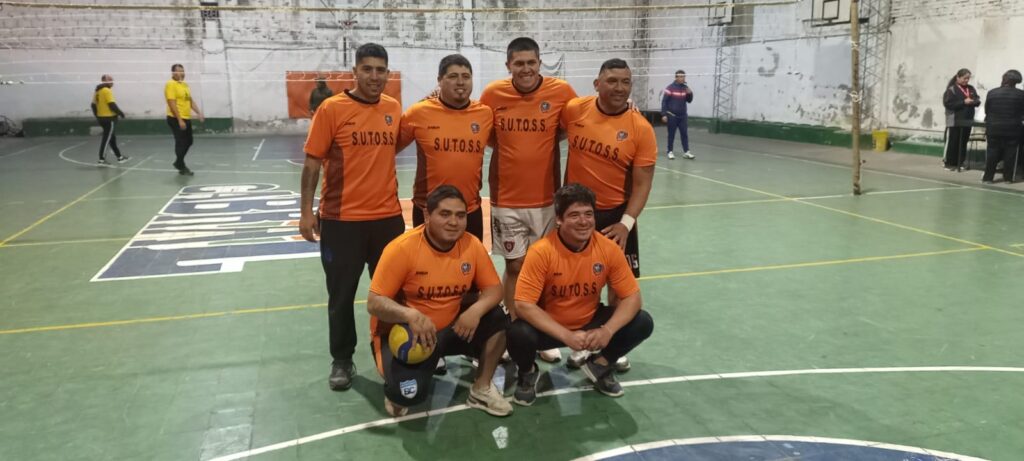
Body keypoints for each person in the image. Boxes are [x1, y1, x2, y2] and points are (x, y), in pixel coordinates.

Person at [299, 43, 405, 392]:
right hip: (341, 221)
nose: (375, 76)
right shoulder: (331, 109)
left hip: (387, 219)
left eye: (381, 70)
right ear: (355, 72)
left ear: (388, 73)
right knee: (341, 295)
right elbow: (312, 163)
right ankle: (342, 359)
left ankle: (398, 353)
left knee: (393, 294)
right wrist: (305, 213)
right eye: (368, 69)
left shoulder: (393, 108)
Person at [367, 185, 512, 417]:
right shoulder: (402, 249)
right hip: (410, 336)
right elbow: (374, 302)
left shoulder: (471, 244)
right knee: (405, 398)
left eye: (460, 215)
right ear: (427, 215)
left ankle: (481, 388)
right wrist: (409, 314)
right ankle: (408, 374)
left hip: (451, 328)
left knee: (499, 316)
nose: (454, 222)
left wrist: (475, 311)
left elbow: (495, 289)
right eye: (445, 214)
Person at [507, 183, 654, 405]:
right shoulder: (542, 251)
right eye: (574, 215)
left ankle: (600, 364)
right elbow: (523, 304)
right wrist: (566, 336)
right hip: (551, 327)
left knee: (642, 321)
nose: (583, 221)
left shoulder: (608, 248)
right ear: (559, 219)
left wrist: (607, 330)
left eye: (588, 214)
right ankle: (527, 373)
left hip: (590, 321)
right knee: (517, 332)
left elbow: (633, 297)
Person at [480, 37, 578, 364]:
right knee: (514, 265)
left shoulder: (561, 92)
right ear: (508, 65)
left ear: (539, 63)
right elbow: (485, 132)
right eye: (519, 63)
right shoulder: (493, 94)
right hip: (506, 198)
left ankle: (541, 333)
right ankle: (514, 329)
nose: (525, 69)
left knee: (543, 269)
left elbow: (578, 121)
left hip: (547, 199)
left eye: (531, 62)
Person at [560, 58, 657, 371]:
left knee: (619, 287)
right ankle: (583, 342)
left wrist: (626, 224)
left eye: (625, 82)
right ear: (597, 84)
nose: (619, 88)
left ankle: (612, 345)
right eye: (612, 81)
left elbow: (642, 184)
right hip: (578, 215)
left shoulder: (640, 129)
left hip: (616, 216)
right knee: (582, 286)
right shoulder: (575, 110)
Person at [398, 54, 492, 241]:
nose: (460, 82)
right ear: (439, 80)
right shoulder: (418, 113)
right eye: (453, 76)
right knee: (428, 260)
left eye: (466, 76)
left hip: (469, 211)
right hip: (429, 210)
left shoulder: (485, 114)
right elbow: (387, 150)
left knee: (470, 260)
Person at [982, 70, 1024, 184]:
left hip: (993, 127)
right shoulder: (1021, 94)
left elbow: (987, 110)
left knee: (992, 152)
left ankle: (988, 178)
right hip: (1013, 128)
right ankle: (1008, 178)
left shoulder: (992, 92)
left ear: (1005, 79)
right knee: (1010, 153)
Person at [165, 64, 204, 176]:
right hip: (175, 118)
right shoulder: (170, 84)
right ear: (173, 73)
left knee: (189, 141)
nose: (182, 73)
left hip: (186, 117)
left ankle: (178, 162)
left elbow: (190, 101)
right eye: (179, 71)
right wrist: (179, 120)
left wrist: (199, 113)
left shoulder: (185, 85)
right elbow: (171, 103)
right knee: (181, 142)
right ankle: (181, 165)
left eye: (183, 71)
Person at [942, 68, 980, 171]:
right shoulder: (951, 89)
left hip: (967, 120)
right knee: (953, 141)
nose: (966, 80)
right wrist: (963, 102)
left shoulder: (971, 88)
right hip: (954, 120)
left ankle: (960, 162)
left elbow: (977, 99)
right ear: (958, 77)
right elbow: (948, 104)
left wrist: (974, 101)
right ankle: (949, 163)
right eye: (964, 78)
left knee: (963, 141)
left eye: (968, 78)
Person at [91, 74, 129, 165]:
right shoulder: (106, 90)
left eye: (112, 79)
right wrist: (121, 113)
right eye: (110, 79)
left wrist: (97, 116)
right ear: (104, 81)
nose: (112, 81)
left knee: (112, 138)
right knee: (107, 139)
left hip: (102, 119)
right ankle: (101, 159)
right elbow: (112, 104)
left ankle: (119, 157)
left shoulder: (97, 91)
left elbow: (93, 105)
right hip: (109, 119)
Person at [660, 70, 694, 160]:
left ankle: (686, 152)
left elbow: (689, 100)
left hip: (683, 116)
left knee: (684, 134)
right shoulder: (670, 88)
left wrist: (690, 93)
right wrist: (664, 114)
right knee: (671, 134)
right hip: (672, 116)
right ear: (676, 77)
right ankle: (670, 151)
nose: (683, 78)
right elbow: (664, 101)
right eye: (681, 76)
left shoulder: (685, 88)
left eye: (684, 76)